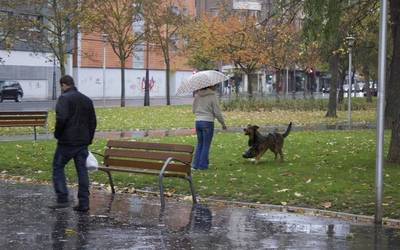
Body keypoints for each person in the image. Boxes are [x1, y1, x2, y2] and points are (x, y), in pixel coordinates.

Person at [48, 75, 97, 212]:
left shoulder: (64, 98)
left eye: (61, 86)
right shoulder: (87, 100)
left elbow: (61, 119)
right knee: (82, 171)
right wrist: (89, 138)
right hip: (82, 142)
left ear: (63, 85)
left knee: (58, 166)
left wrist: (58, 134)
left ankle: (63, 198)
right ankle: (84, 203)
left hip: (67, 142)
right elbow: (93, 122)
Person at [192, 85, 227, 170]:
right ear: (210, 86)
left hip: (198, 122)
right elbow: (217, 112)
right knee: (206, 145)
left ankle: (195, 165)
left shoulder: (197, 95)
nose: (215, 86)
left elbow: (193, 110)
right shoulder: (213, 96)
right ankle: (202, 165)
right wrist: (223, 123)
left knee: (200, 143)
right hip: (208, 122)